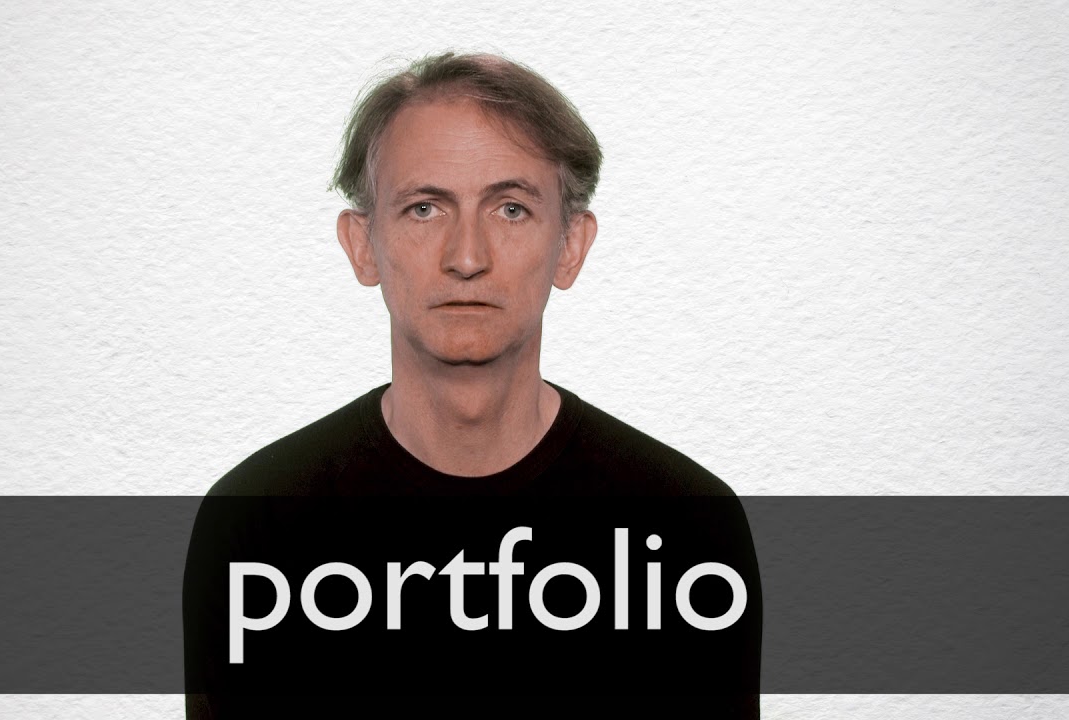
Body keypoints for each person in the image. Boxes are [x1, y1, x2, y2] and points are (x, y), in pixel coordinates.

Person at [184, 51, 761, 718]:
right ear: (363, 245)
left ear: (571, 245)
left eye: (510, 209)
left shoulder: (686, 531)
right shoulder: (255, 526)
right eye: (425, 208)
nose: (466, 257)